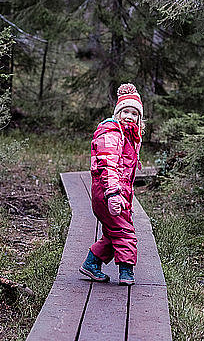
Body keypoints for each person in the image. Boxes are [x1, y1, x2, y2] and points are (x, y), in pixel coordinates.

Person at [79, 83, 144, 286]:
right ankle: (126, 272)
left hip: (113, 192)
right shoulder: (113, 133)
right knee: (125, 231)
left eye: (135, 113)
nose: (130, 116)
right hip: (108, 192)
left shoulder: (129, 136)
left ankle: (91, 264)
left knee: (112, 231)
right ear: (117, 113)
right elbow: (108, 163)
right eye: (125, 111)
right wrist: (113, 193)